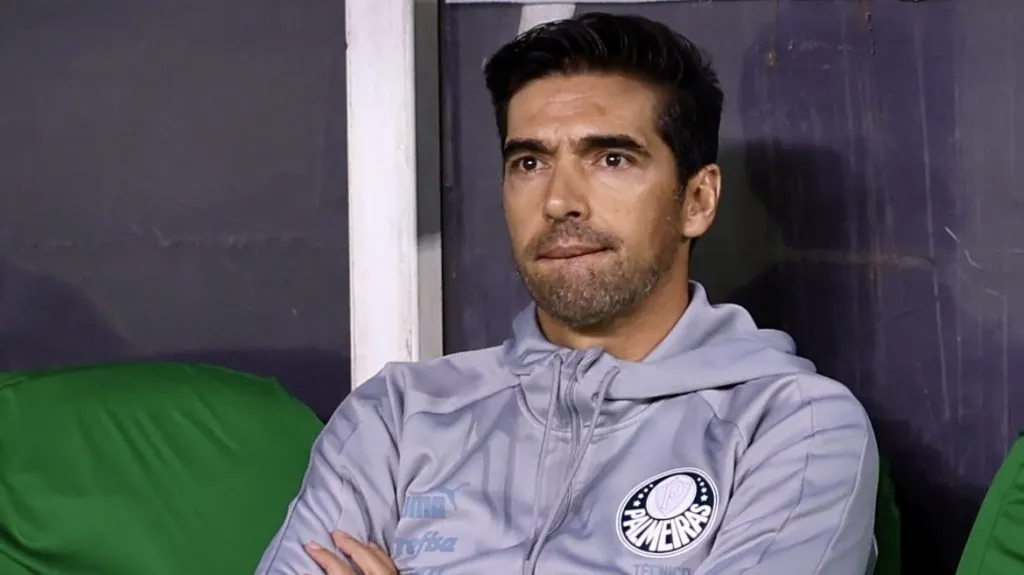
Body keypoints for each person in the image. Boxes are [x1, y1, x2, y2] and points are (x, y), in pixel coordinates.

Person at [255, 12, 879, 575]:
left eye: (611, 159)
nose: (558, 201)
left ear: (697, 199)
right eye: (529, 162)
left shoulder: (794, 427)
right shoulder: (396, 417)